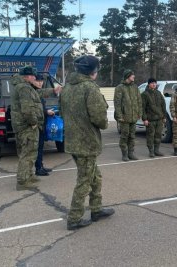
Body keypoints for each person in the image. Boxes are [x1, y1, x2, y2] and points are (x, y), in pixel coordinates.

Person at [60, 55, 114, 231]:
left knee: (94, 176)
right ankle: (74, 218)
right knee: (84, 180)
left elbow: (62, 112)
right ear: (93, 71)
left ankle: (96, 209)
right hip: (86, 143)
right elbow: (99, 118)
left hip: (73, 141)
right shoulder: (89, 88)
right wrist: (104, 123)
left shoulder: (67, 87)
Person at [10, 66, 59, 191]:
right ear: (28, 76)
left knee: (30, 153)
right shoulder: (24, 88)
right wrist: (33, 122)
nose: (35, 78)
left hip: (23, 126)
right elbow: (27, 109)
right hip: (27, 127)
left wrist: (53, 90)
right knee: (27, 154)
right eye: (33, 76)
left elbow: (39, 93)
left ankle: (29, 176)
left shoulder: (24, 86)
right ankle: (22, 182)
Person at [114, 69, 142, 161]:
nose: (134, 77)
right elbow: (117, 103)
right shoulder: (120, 87)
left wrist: (139, 113)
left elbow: (139, 101)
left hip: (134, 117)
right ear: (127, 76)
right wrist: (119, 116)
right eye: (132, 75)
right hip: (124, 117)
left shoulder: (135, 87)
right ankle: (124, 154)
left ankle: (131, 153)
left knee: (132, 136)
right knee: (124, 136)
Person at [32, 73, 55, 176]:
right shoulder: (32, 92)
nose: (40, 83)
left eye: (41, 81)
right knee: (37, 147)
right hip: (36, 124)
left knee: (40, 146)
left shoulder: (37, 92)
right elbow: (34, 110)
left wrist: (46, 111)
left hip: (42, 123)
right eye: (38, 81)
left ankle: (40, 166)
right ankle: (38, 168)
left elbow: (40, 107)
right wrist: (46, 112)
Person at [141, 78, 167, 157]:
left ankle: (157, 150)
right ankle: (151, 151)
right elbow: (142, 107)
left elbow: (163, 105)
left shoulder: (158, 93)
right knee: (150, 136)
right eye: (152, 83)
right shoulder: (144, 94)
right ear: (149, 84)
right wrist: (144, 119)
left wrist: (164, 116)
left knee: (158, 135)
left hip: (159, 119)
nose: (154, 84)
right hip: (150, 119)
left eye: (155, 83)